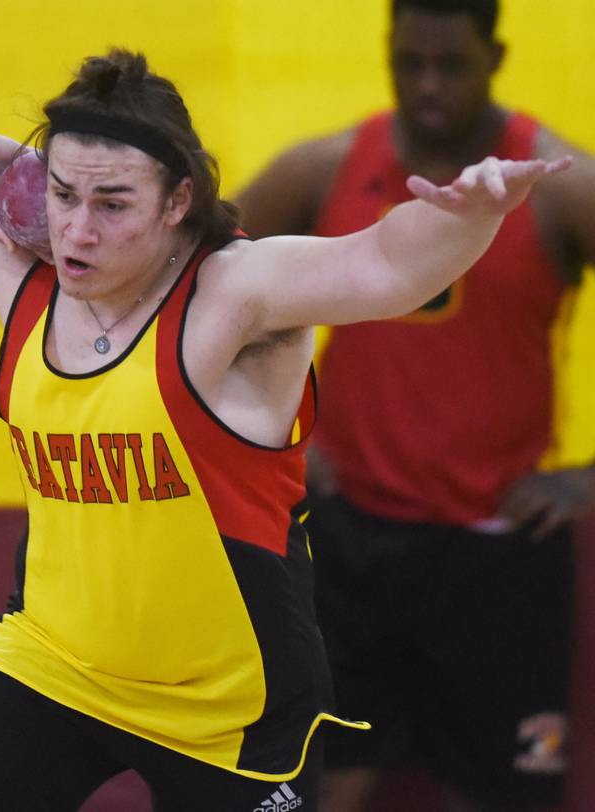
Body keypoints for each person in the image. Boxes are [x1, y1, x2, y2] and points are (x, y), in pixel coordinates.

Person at [0, 48, 567, 812]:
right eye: (63, 193)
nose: (77, 229)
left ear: (177, 203)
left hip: (221, 711)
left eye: (113, 204)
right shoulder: (22, 272)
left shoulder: (234, 295)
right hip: (51, 662)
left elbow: (387, 265)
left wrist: (471, 216)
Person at [234, 2, 595, 811]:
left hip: (501, 554)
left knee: (506, 795)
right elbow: (194, 280)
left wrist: (592, 479)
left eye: (452, 65)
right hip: (345, 546)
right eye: (409, 63)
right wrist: (264, 433)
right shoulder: (324, 171)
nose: (428, 86)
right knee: (313, 789)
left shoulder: (560, 186)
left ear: (496, 55)